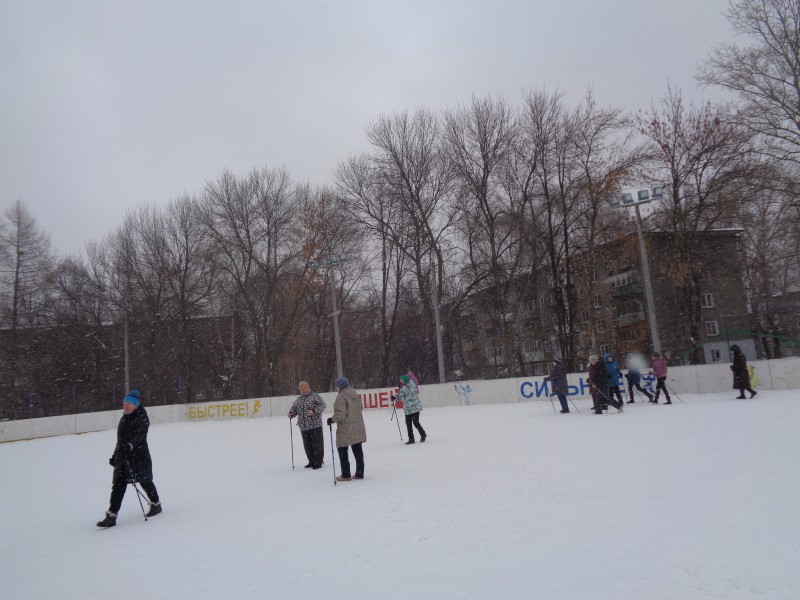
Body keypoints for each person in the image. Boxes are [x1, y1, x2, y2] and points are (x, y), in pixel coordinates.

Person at [97, 390, 161, 528]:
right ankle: (111, 515)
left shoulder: (142, 417)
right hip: (123, 457)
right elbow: (120, 441)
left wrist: (130, 445)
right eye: (124, 403)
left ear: (135, 405)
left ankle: (156, 504)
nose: (125, 406)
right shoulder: (123, 419)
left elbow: (140, 436)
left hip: (139, 456)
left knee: (145, 481)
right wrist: (115, 455)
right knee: (118, 485)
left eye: (128, 404)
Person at [326, 377, 366, 481]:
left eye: (337, 386)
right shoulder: (354, 394)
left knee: (342, 449)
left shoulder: (341, 396)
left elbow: (341, 414)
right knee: (357, 449)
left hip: (346, 428)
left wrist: (332, 420)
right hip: (357, 426)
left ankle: (346, 474)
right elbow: (360, 407)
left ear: (339, 386)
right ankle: (359, 473)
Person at [288, 381, 326, 469]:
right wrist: (291, 413)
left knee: (317, 445)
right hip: (303, 426)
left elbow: (323, 406)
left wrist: (314, 411)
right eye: (301, 388)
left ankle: (318, 462)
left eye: (305, 388)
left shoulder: (315, 396)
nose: (303, 390)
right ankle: (311, 461)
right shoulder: (298, 400)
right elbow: (294, 409)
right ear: (299, 390)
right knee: (307, 446)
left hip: (315, 425)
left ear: (308, 387)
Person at [393, 374, 427, 443]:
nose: (401, 382)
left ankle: (423, 434)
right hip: (407, 409)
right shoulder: (403, 387)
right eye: (400, 381)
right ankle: (411, 439)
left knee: (415, 422)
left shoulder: (412, 385)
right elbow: (401, 397)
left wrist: (403, 388)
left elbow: (410, 393)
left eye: (402, 381)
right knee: (408, 423)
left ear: (405, 380)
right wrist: (395, 398)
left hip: (415, 407)